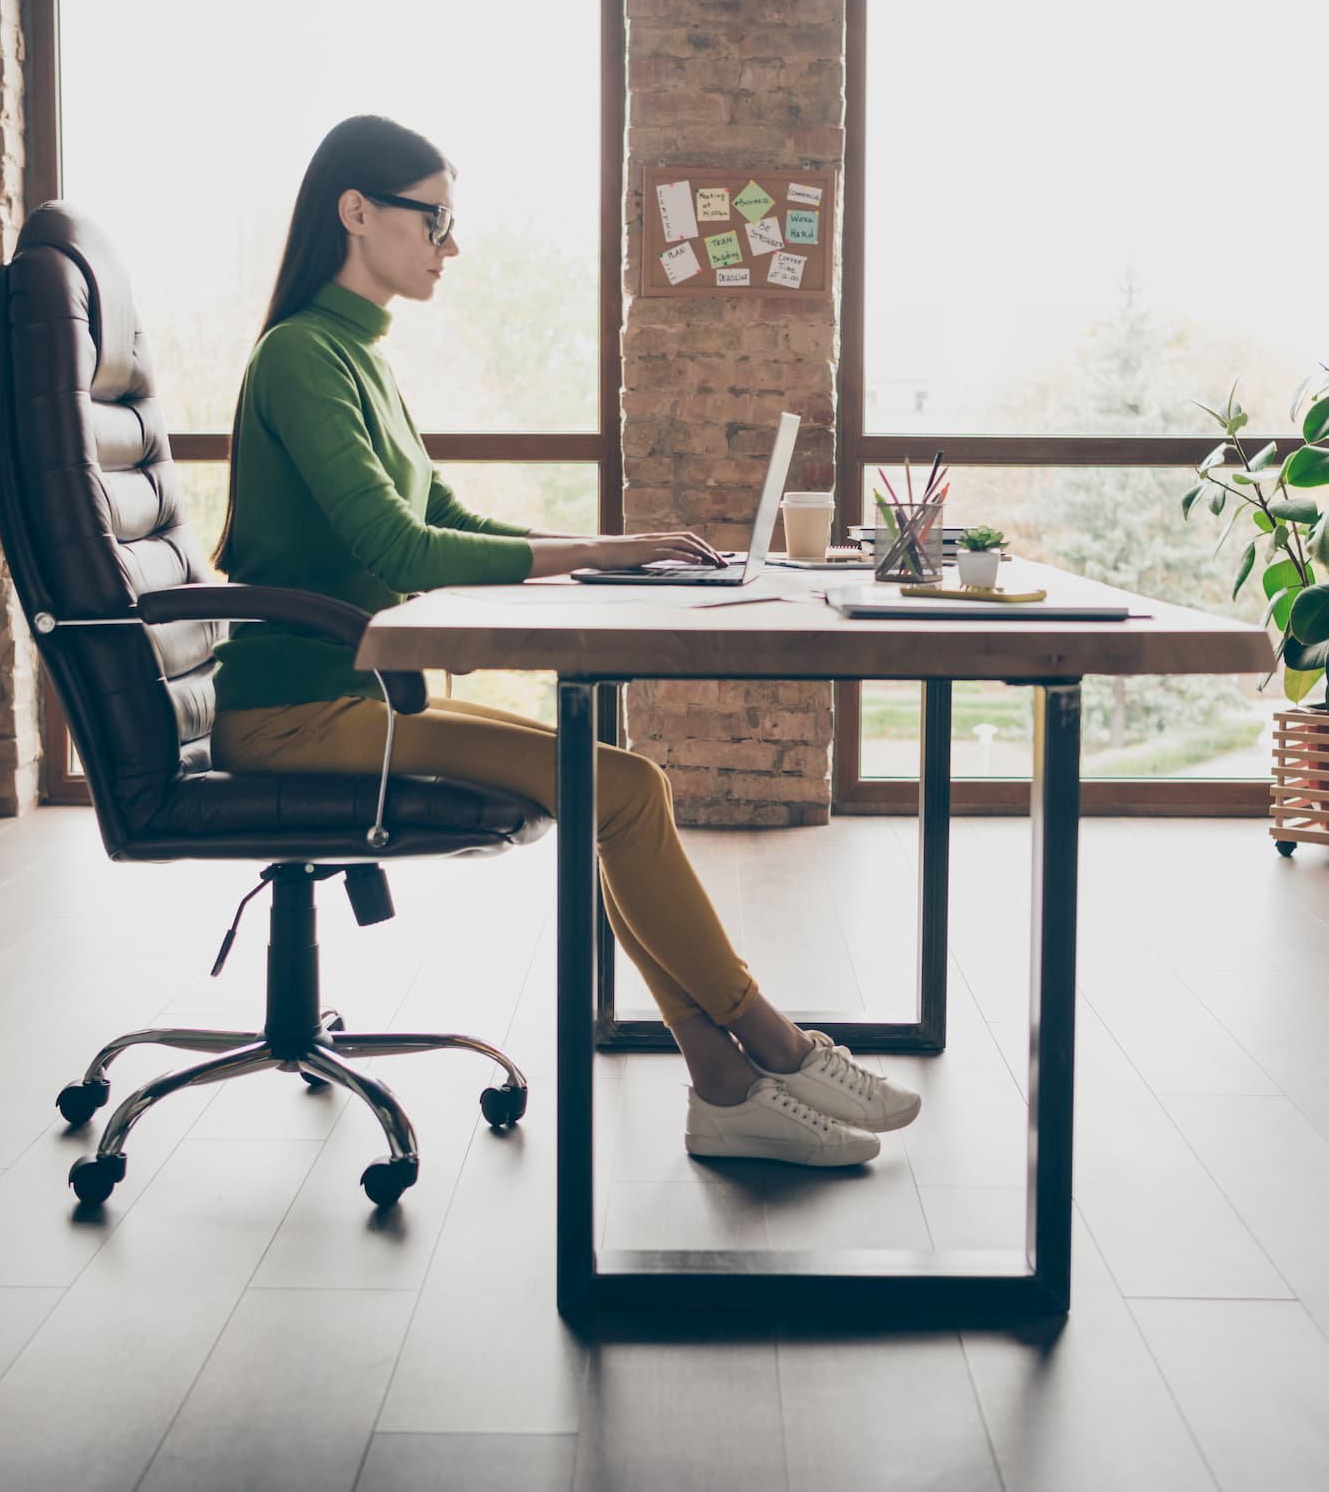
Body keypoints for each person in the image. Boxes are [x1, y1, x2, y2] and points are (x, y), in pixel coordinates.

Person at [210, 115, 919, 1167]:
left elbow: (453, 516)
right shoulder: (304, 360)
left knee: (619, 788)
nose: (451, 247)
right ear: (356, 214)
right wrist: (600, 549)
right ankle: (771, 1046)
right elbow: (399, 549)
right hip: (296, 720)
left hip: (348, 703)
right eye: (434, 220)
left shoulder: (356, 359)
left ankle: (726, 1082)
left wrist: (612, 549)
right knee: (622, 793)